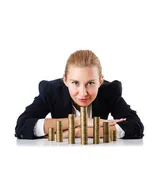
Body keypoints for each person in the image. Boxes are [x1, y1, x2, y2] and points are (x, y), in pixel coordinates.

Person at [15, 50, 144, 139]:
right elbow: (22, 126)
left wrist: (79, 132)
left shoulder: (109, 91)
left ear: (100, 81)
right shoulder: (51, 91)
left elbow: (135, 127)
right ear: (65, 80)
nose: (83, 93)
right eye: (75, 82)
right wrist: (80, 121)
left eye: (91, 83)